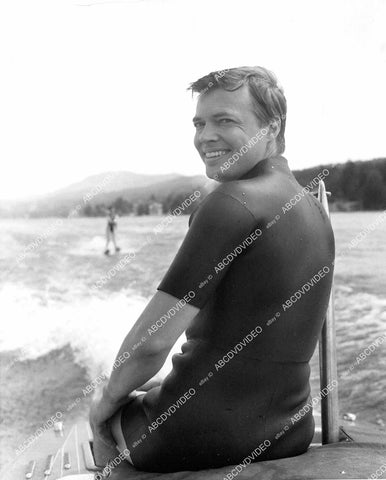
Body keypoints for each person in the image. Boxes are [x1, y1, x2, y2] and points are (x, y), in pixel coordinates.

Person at [89, 66, 335, 472]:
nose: (205, 137)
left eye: (226, 121)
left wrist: (105, 404)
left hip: (194, 434)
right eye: (200, 123)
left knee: (105, 396)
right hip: (290, 431)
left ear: (271, 127)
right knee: (150, 386)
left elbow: (150, 346)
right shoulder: (314, 210)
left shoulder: (230, 202)